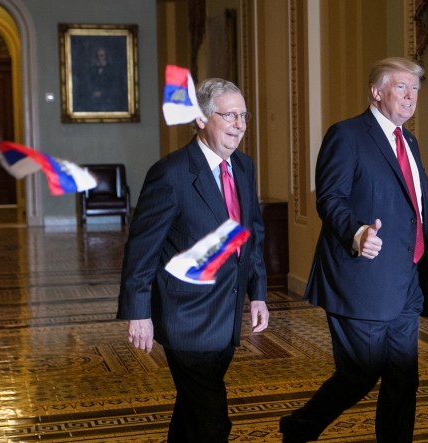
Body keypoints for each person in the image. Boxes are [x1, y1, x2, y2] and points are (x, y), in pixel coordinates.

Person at [279, 57, 428, 442]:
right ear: (376, 91)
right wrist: (358, 231)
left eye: (414, 88)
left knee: (403, 379)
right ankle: (299, 428)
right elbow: (330, 197)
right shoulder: (347, 135)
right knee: (360, 374)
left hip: (406, 280)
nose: (410, 96)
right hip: (362, 280)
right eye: (401, 87)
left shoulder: (409, 140)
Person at [117, 78, 269, 442]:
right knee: (212, 422)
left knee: (192, 412)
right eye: (229, 115)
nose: (239, 124)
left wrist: (257, 292)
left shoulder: (244, 168)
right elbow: (141, 250)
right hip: (185, 316)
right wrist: (139, 312)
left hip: (226, 313)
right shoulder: (171, 173)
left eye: (243, 115)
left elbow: (252, 234)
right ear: (201, 119)